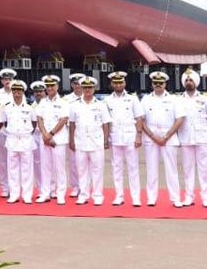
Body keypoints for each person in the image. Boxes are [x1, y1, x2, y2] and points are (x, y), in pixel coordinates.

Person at [141, 70, 183, 207]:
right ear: (152, 84)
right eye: (155, 82)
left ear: (165, 84)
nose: (158, 85)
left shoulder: (174, 99)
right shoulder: (146, 99)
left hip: (169, 137)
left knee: (171, 169)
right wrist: (153, 136)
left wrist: (166, 136)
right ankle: (151, 198)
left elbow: (179, 119)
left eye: (161, 82)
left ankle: (175, 198)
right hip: (151, 137)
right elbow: (141, 120)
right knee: (151, 169)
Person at [69, 76, 111, 205]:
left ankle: (97, 195)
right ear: (81, 88)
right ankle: (83, 195)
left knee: (97, 170)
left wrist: (106, 140)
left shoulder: (101, 105)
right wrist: (71, 140)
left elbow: (105, 124)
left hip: (96, 142)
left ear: (94, 89)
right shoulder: (75, 105)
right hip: (80, 142)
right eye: (85, 87)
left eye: (90, 87)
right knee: (82, 170)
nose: (87, 89)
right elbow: (72, 124)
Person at [176, 68, 207, 208]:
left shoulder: (205, 99)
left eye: (191, 80)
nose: (188, 82)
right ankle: (189, 197)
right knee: (187, 169)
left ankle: (206, 198)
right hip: (186, 138)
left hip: (201, 138)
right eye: (186, 80)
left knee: (204, 169)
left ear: (196, 82)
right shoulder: (178, 100)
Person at [104, 70, 143, 207]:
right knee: (117, 168)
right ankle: (119, 196)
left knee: (133, 168)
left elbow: (139, 118)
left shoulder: (132, 99)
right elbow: (106, 122)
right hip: (115, 137)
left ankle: (136, 197)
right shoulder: (107, 100)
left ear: (124, 83)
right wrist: (106, 139)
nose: (118, 85)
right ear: (112, 84)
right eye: (115, 83)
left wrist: (139, 136)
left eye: (120, 82)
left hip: (130, 137)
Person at [36, 75, 69, 204]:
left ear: (57, 86)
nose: (50, 88)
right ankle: (45, 193)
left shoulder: (63, 102)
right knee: (45, 167)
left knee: (59, 168)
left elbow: (63, 120)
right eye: (48, 86)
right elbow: (39, 119)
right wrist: (45, 135)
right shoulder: (43, 102)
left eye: (52, 86)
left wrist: (50, 134)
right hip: (45, 139)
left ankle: (60, 194)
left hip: (58, 139)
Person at [2, 80, 36, 204]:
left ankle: (27, 195)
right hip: (12, 140)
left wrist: (25, 133)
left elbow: (34, 123)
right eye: (14, 90)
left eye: (19, 90)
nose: (17, 92)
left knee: (27, 169)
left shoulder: (29, 108)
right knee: (12, 169)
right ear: (12, 91)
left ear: (23, 92)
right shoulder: (6, 108)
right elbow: (4, 123)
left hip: (26, 140)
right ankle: (14, 194)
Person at [0, 69, 17, 197]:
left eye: (9, 79)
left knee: (14, 160)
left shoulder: (18, 92)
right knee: (2, 160)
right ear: (1, 81)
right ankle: (4, 187)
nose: (7, 81)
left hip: (14, 131)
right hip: (1, 130)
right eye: (5, 79)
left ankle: (14, 187)